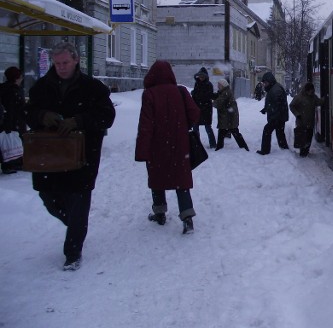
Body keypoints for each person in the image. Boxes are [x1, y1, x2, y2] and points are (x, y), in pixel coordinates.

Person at [25, 42, 116, 271]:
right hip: (49, 156)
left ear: (76, 60)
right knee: (48, 197)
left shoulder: (93, 88)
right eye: (57, 63)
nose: (61, 67)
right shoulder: (41, 87)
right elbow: (28, 113)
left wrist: (78, 121)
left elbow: (107, 116)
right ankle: (74, 223)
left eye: (65, 62)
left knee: (78, 200)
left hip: (82, 156)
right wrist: (42, 115)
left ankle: (73, 253)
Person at [135, 60, 200, 235]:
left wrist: (142, 150)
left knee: (157, 178)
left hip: (157, 145)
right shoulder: (181, 91)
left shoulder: (149, 94)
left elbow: (145, 125)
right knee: (181, 180)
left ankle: (160, 213)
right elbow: (195, 113)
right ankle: (187, 219)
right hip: (180, 144)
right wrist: (181, 125)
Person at [0, 67, 27, 174]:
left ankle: (9, 163)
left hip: (5, 121)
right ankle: (12, 163)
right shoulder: (13, 91)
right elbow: (13, 108)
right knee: (13, 142)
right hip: (13, 122)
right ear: (17, 78)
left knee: (6, 143)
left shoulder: (3, 88)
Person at [257, 72, 289, 155]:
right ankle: (284, 149)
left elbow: (276, 104)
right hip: (279, 116)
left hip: (277, 117)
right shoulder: (274, 88)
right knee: (280, 133)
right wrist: (266, 109)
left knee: (267, 130)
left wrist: (274, 117)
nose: (264, 84)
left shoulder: (275, 89)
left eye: (265, 83)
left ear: (270, 81)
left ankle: (265, 150)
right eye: (263, 83)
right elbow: (272, 103)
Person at [212, 78, 249, 151]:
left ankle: (243, 147)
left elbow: (219, 102)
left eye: (219, 85)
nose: (218, 86)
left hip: (229, 117)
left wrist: (212, 103)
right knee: (225, 131)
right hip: (228, 116)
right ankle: (220, 147)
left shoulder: (226, 93)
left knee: (232, 131)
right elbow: (218, 97)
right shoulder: (224, 91)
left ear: (223, 85)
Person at [289, 83, 323, 157]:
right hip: (301, 122)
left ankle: (306, 151)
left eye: (312, 91)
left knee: (309, 137)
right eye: (310, 91)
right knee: (302, 138)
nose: (311, 92)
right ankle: (302, 153)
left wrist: (325, 100)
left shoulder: (313, 97)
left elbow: (319, 102)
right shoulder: (299, 97)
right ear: (306, 90)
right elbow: (291, 106)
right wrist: (297, 114)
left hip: (310, 122)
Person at [191, 67, 216, 149]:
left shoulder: (209, 85)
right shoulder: (197, 84)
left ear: (205, 76)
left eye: (202, 76)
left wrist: (197, 94)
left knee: (208, 127)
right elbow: (195, 96)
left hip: (206, 110)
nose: (201, 78)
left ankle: (213, 144)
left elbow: (207, 96)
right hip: (197, 109)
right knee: (195, 128)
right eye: (200, 76)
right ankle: (196, 144)